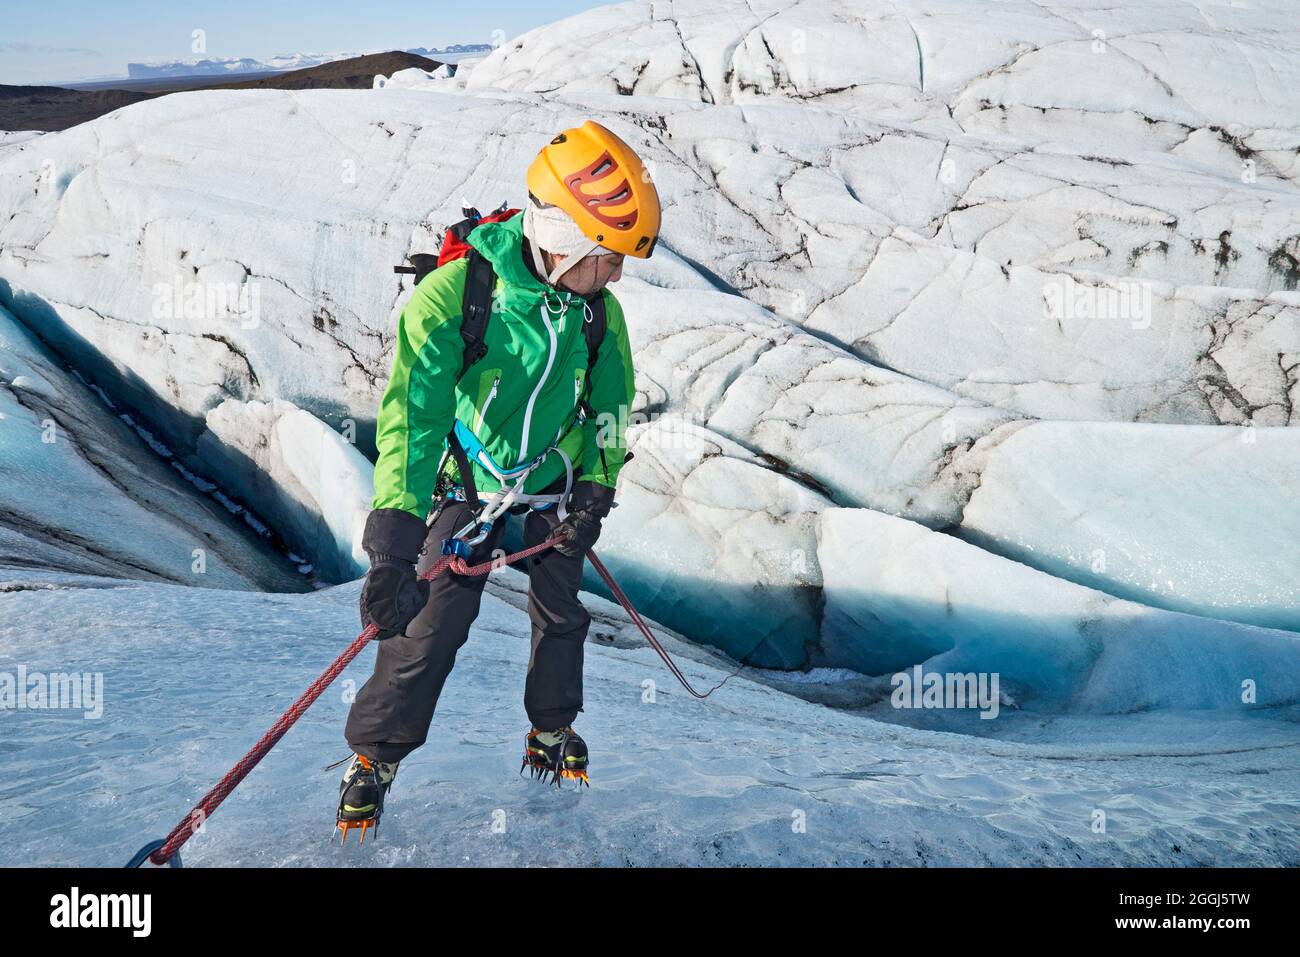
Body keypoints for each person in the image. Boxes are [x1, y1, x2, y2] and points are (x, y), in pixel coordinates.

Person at [336, 120, 661, 835]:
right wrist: (392, 543)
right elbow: (413, 420)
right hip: (469, 482)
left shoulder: (598, 315)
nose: (613, 277)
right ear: (562, 236)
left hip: (553, 475)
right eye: (605, 259)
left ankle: (552, 728)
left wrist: (595, 490)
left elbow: (609, 407)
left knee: (562, 611)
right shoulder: (454, 297)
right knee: (430, 621)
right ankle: (376, 756)